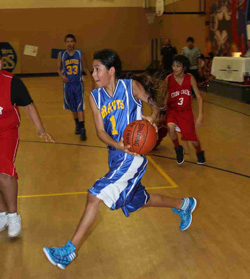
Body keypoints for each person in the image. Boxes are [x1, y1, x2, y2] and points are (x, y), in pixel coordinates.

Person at [43, 49, 197, 269]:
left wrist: (152, 118)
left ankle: (68, 252)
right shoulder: (94, 97)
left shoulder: (130, 86)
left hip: (133, 156)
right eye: (94, 70)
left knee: (94, 195)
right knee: (139, 200)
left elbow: (154, 103)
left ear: (111, 70)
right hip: (116, 155)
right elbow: (100, 132)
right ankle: (184, 204)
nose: (93, 74)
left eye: (97, 69)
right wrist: (117, 145)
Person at [0, 50, 54, 237]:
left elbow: (28, 106)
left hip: (7, 132)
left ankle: (14, 216)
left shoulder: (11, 82)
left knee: (4, 172)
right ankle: (2, 214)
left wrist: (40, 129)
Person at [164, 55, 205, 165]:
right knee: (170, 127)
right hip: (172, 110)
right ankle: (178, 148)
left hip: (186, 112)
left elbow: (199, 97)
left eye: (178, 66)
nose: (175, 68)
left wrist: (200, 115)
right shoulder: (168, 79)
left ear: (184, 67)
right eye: (173, 66)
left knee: (193, 140)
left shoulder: (190, 78)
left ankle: (199, 152)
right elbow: (163, 97)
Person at [58, 34, 94, 140]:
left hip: (78, 84)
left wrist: (91, 79)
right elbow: (58, 69)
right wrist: (62, 75)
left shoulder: (79, 53)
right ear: (65, 43)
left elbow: (85, 67)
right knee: (73, 108)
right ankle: (77, 124)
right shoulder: (61, 54)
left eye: (72, 41)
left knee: (80, 106)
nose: (70, 43)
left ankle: (83, 129)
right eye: (68, 42)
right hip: (67, 85)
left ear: (75, 42)